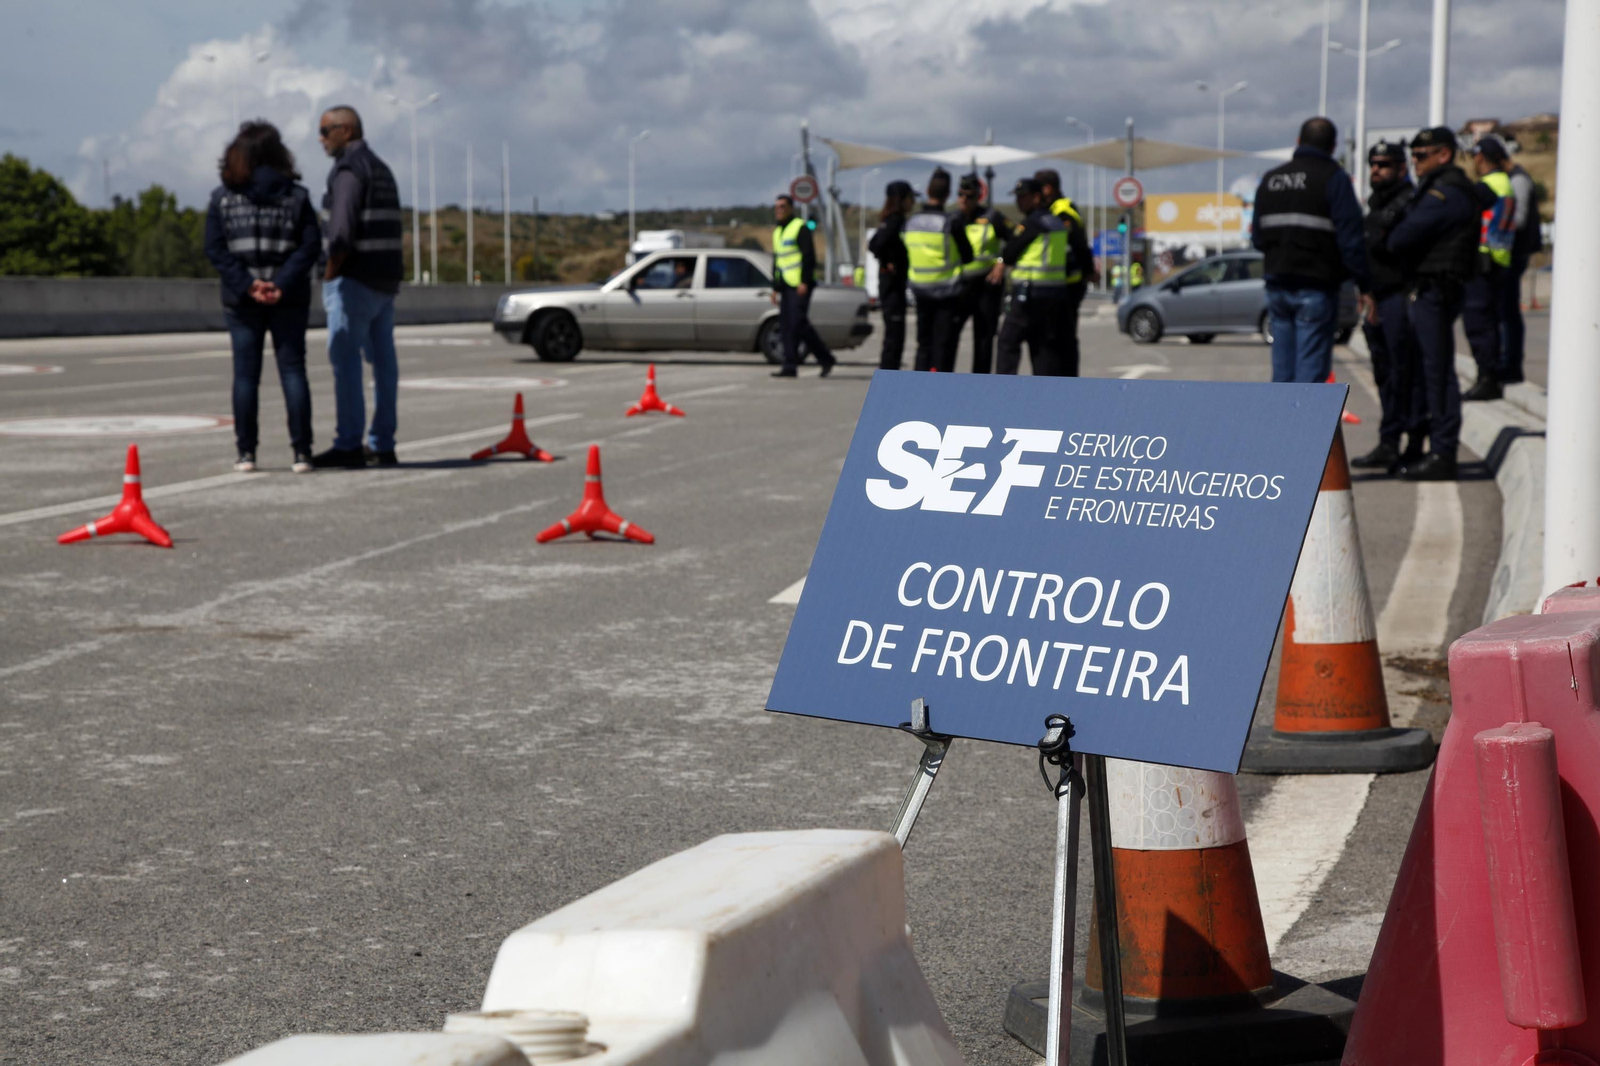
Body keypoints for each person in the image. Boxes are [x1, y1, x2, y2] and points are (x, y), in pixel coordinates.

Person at [203, 121, 322, 474]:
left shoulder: (222, 198)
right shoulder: (296, 196)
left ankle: (246, 453)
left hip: (242, 301)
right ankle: (301, 452)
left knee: (245, 376)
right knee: (292, 371)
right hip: (289, 297)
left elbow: (215, 248)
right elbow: (309, 245)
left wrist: (248, 284)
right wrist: (280, 283)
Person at [1386, 125, 1481, 482]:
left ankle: (1443, 452)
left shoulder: (1448, 192)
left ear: (1444, 154)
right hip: (1429, 290)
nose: (1415, 163)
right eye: (1413, 157)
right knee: (1428, 372)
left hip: (1437, 290)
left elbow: (1402, 236)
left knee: (1437, 374)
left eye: (1422, 156)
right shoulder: (1438, 189)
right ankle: (1435, 447)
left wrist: (1396, 231)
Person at [314, 106, 404, 469]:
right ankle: (383, 443)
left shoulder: (350, 170)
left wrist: (331, 273)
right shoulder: (381, 168)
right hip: (385, 281)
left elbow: (340, 232)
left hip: (355, 281)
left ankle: (349, 443)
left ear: (346, 130)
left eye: (325, 130)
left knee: (346, 362)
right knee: (384, 364)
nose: (320, 138)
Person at [1251, 116, 1370, 383]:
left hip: (1278, 287)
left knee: (1282, 374)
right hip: (1316, 288)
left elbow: (1258, 239)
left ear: (1298, 142)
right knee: (1309, 379)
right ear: (1332, 147)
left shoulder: (1271, 180)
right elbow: (1351, 240)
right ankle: (1304, 424)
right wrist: (1365, 285)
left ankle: (1281, 423)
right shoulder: (1334, 179)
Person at [1350, 139, 1428, 474]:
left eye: (1383, 165)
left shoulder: (1409, 201)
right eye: (1373, 164)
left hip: (1401, 297)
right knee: (1384, 374)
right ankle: (1388, 442)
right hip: (1375, 299)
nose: (1376, 171)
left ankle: (1412, 444)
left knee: (1406, 374)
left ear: (1400, 168)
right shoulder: (1376, 204)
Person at [991, 178, 1069, 376]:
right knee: (1042, 347)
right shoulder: (1056, 222)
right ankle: (1042, 394)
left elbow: (1011, 249)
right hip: (1054, 295)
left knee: (1008, 341)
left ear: (1036, 198)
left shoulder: (1033, 223)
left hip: (1029, 293)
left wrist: (1002, 261)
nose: (1018, 202)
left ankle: (1004, 390)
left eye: (1022, 197)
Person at [903, 168, 973, 372]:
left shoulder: (911, 222)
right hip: (947, 293)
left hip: (920, 290)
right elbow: (967, 256)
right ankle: (940, 390)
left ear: (927, 190)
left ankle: (918, 386)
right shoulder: (951, 222)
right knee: (943, 345)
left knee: (923, 344)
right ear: (948, 194)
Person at [1461, 139, 1515, 400]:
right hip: (1499, 261)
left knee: (1478, 323)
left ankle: (1487, 378)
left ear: (1481, 157)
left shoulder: (1488, 186)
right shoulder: (1505, 183)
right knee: (1490, 322)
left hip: (1484, 261)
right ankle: (1490, 376)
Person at [769, 193, 836, 378]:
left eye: (782, 206)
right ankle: (789, 366)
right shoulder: (777, 232)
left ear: (791, 208)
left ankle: (825, 358)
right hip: (786, 285)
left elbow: (809, 256)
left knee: (798, 323)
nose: (779, 210)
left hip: (800, 284)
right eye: (777, 207)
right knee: (786, 325)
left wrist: (805, 281)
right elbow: (778, 261)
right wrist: (774, 287)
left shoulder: (800, 227)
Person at [1034, 169, 1094, 376]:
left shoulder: (1062, 212)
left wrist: (1089, 270)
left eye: (1037, 188)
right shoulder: (1054, 209)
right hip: (1061, 284)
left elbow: (1079, 244)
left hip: (1069, 284)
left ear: (1048, 188)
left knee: (1063, 338)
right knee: (1056, 338)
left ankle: (1066, 382)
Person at [950, 174, 1011, 374]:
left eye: (968, 196)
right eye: (960, 195)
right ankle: (942, 380)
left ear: (978, 197)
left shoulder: (992, 217)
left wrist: (1002, 262)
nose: (963, 200)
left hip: (986, 285)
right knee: (948, 336)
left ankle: (980, 383)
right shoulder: (953, 219)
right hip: (960, 286)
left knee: (984, 338)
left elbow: (1018, 238)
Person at [1498, 138, 1541, 385]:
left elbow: (1519, 219)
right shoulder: (1514, 178)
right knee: (1505, 310)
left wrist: (1497, 230)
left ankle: (1512, 363)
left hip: (1515, 254)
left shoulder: (1518, 179)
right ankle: (1508, 361)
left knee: (1508, 310)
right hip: (1511, 253)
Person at [867, 180, 915, 370]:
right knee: (894, 336)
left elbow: (874, 244)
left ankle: (890, 370)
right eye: (910, 198)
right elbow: (876, 245)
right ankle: (888, 372)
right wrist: (888, 261)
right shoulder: (895, 220)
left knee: (894, 334)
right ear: (901, 200)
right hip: (892, 286)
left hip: (893, 285)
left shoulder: (889, 219)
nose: (912, 203)